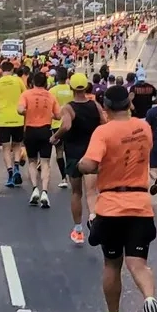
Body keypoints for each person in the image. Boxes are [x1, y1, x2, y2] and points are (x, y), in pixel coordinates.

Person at [76, 85, 157, 312]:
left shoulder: (103, 132)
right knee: (138, 264)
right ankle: (149, 298)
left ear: (105, 107)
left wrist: (81, 164)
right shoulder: (144, 128)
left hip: (111, 206)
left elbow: (90, 164)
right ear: (129, 104)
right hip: (140, 205)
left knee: (112, 264)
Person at [53, 72, 104, 246]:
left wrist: (55, 137)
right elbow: (104, 122)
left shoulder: (68, 108)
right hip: (92, 153)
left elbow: (66, 125)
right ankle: (93, 217)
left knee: (76, 192)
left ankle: (78, 230)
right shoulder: (95, 105)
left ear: (71, 88)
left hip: (74, 154)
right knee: (92, 192)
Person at [17, 70, 57, 208]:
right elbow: (58, 115)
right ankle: (44, 192)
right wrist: (49, 114)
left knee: (32, 161)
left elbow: (20, 110)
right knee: (45, 162)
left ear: (33, 82)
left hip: (30, 131)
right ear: (45, 83)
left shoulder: (26, 94)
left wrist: (28, 111)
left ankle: (35, 189)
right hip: (46, 130)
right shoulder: (50, 96)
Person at [0, 61, 26, 187]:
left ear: (1, 70)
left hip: (4, 120)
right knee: (17, 146)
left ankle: (10, 174)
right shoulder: (18, 81)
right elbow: (25, 97)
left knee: (5, 148)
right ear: (12, 70)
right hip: (18, 118)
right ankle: (17, 168)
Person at [49, 67, 75, 188]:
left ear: (57, 77)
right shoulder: (71, 90)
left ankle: (63, 178)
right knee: (70, 151)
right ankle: (73, 175)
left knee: (59, 151)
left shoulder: (52, 91)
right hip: (71, 123)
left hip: (56, 124)